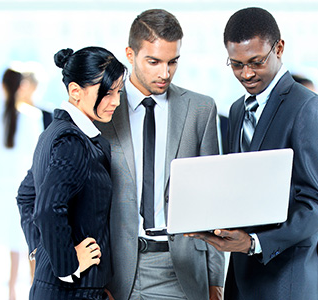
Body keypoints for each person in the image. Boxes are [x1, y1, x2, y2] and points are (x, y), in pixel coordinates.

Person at [189, 7, 318, 300]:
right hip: (243, 278)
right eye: (236, 64)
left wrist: (254, 242)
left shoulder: (308, 108)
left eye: (256, 62)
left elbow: (317, 205)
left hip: (288, 280)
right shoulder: (237, 109)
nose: (246, 74)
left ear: (279, 48)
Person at [95, 9, 225, 300]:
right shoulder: (103, 111)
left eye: (172, 62)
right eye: (153, 62)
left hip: (179, 268)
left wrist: (216, 279)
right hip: (115, 270)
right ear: (130, 54)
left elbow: (212, 202)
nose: (164, 73)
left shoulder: (199, 110)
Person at [16, 46, 126, 299]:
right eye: (108, 93)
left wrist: (40, 249)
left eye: (119, 91)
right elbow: (48, 208)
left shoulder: (55, 131)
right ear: (75, 91)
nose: (117, 101)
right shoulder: (73, 141)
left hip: (64, 287)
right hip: (70, 290)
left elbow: (26, 195)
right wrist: (68, 264)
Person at [0, 67, 45, 300]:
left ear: (2, 85)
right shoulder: (33, 116)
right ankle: (13, 293)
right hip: (19, 191)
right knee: (17, 246)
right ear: (21, 86)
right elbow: (38, 159)